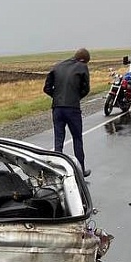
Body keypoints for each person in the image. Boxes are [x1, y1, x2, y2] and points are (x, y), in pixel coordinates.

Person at [43, 48, 91, 177]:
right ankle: (81, 170)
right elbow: (86, 88)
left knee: (59, 140)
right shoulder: (82, 67)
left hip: (57, 108)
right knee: (77, 138)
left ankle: (57, 170)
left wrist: (57, 96)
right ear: (84, 60)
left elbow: (46, 88)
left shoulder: (58, 66)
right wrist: (75, 97)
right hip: (72, 108)